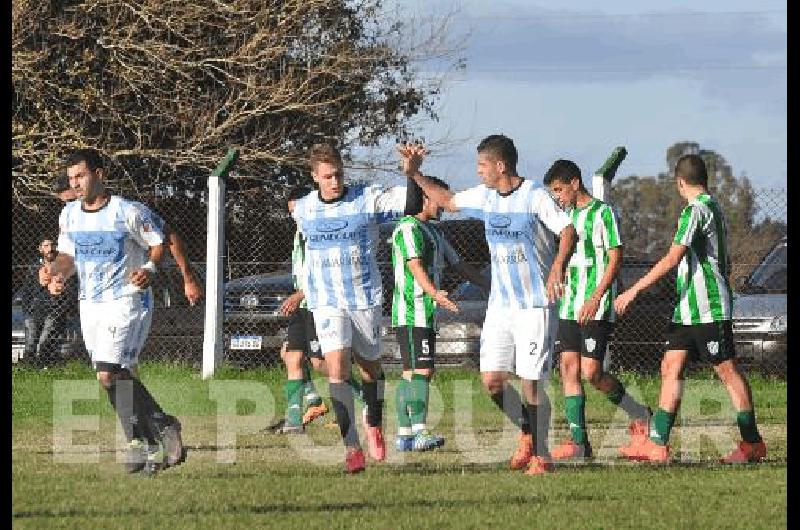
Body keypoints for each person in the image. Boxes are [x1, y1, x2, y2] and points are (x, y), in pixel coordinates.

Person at [399, 136, 577, 476]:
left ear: (501, 165)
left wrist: (558, 266)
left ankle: (542, 455)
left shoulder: (534, 196)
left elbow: (567, 231)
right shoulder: (484, 196)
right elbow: (448, 202)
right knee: (492, 380)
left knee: (531, 383)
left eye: (482, 165)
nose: (478, 171)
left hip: (534, 306)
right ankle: (528, 432)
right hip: (500, 307)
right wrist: (416, 174)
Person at [614, 153, 767, 464]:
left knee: (726, 370)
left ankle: (752, 442)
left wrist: (633, 290)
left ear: (679, 183)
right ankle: (657, 444)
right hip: (687, 309)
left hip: (708, 307)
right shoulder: (714, 208)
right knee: (671, 367)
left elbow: (672, 259)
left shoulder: (696, 211)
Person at [43, 148, 184, 475]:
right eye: (71, 178)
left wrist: (149, 268)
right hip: (89, 305)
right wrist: (58, 275)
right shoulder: (69, 215)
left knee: (108, 372)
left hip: (126, 300)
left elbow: (158, 242)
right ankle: (143, 441)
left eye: (81, 175)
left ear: (99, 174)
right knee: (116, 378)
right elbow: (67, 256)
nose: (75, 183)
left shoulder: (127, 211)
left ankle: (162, 425)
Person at [288, 143, 423, 474]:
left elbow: (411, 204)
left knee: (370, 368)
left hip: (363, 298)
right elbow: (308, 258)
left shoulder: (367, 198)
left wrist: (411, 174)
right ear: (314, 177)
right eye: (328, 177)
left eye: (339, 175)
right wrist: (304, 291)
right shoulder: (303, 209)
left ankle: (374, 421)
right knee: (335, 368)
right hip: (326, 302)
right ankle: (352, 449)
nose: (335, 182)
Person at [542, 158, 651, 461]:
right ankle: (580, 444)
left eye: (560, 190)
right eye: (554, 192)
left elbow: (615, 259)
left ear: (575, 183)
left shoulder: (603, 213)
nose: (558, 197)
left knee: (592, 372)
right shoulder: (565, 218)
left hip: (596, 305)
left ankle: (640, 415)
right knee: (568, 369)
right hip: (568, 304)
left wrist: (596, 297)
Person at [390, 175, 489, 452]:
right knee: (422, 370)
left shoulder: (433, 231)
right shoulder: (408, 228)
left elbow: (459, 265)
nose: (445, 203)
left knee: (411, 373)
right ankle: (419, 432)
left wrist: (493, 285)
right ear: (424, 196)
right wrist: (434, 293)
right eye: (440, 197)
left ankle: (405, 435)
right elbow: (414, 266)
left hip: (425, 312)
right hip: (412, 311)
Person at [21, 237, 79, 366]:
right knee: (30, 343)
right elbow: (27, 290)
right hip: (34, 310)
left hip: (54, 310)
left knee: (44, 342)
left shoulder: (64, 267)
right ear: (40, 249)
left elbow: (71, 291)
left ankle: (43, 367)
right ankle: (28, 368)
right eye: (46, 246)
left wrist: (62, 309)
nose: (50, 249)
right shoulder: (34, 267)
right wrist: (27, 309)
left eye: (52, 245)